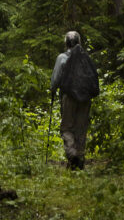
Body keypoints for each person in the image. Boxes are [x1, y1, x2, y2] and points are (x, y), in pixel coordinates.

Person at [50, 30, 97, 170]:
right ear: (79, 42)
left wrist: (53, 90)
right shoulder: (85, 58)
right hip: (85, 98)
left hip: (68, 96)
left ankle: (72, 154)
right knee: (81, 128)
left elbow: (55, 80)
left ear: (66, 43)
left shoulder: (62, 58)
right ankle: (80, 160)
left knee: (66, 127)